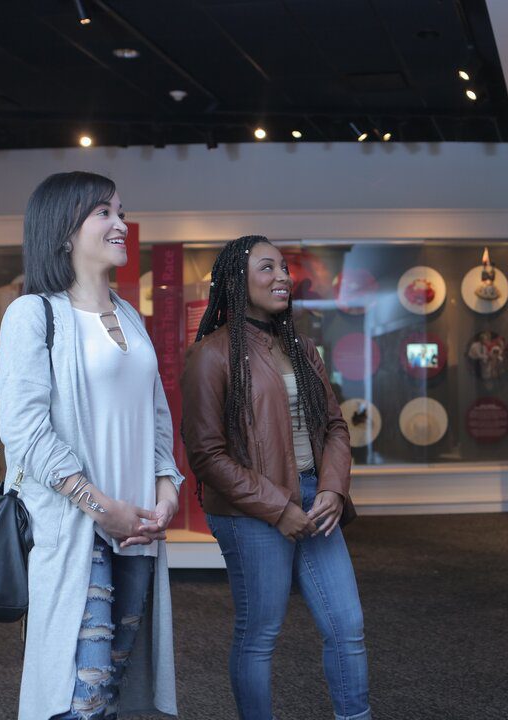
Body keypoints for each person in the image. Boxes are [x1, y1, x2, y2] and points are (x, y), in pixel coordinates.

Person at [0, 171, 184, 719]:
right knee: (82, 693)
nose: (121, 224)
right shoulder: (33, 315)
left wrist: (166, 491)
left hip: (139, 526)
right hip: (78, 527)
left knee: (115, 686)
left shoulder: (130, 316)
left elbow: (156, 416)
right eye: (104, 212)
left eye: (120, 211)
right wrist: (102, 507)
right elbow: (26, 433)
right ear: (64, 229)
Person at [181, 235, 370, 720]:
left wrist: (331, 486)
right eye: (267, 268)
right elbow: (205, 454)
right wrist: (278, 507)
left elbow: (333, 425)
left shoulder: (303, 348)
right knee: (260, 633)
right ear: (236, 281)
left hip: (314, 499)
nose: (282, 277)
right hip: (252, 510)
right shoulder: (211, 354)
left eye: (284, 268)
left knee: (346, 625)